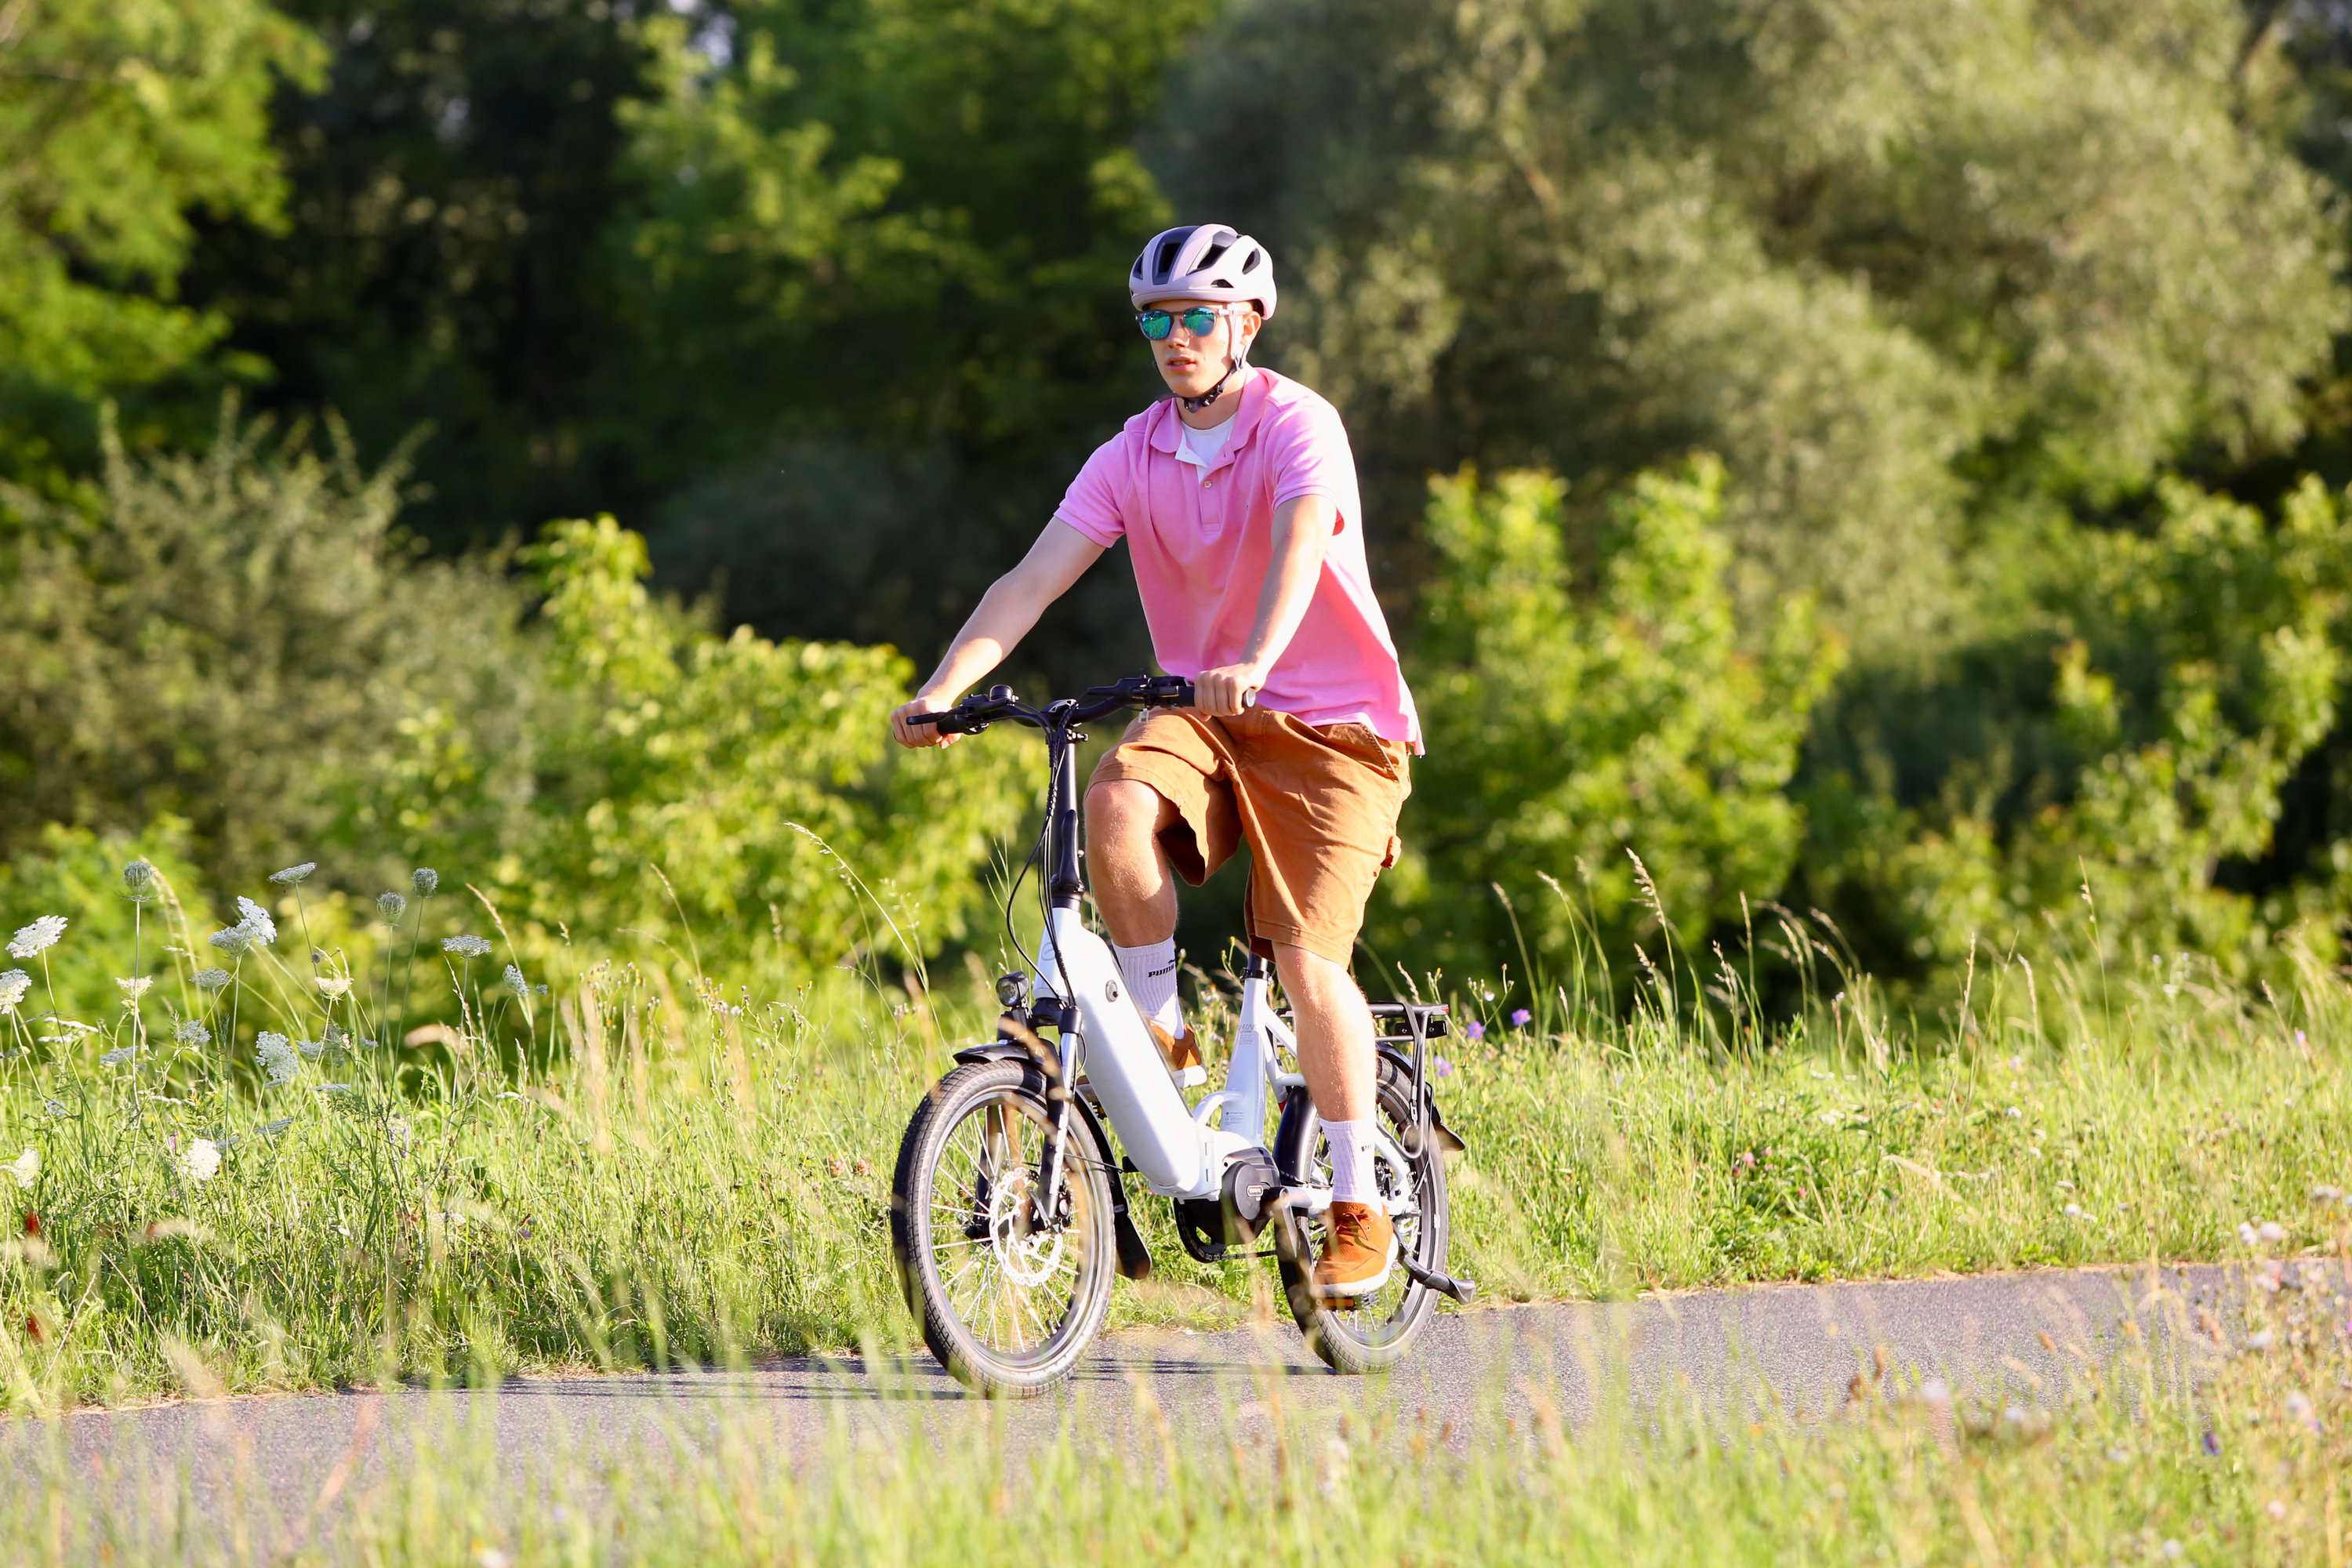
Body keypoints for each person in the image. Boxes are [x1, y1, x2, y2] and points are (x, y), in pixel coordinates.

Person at [889, 223, 1421, 1298]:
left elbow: (1303, 541)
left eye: (1197, 318)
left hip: (1335, 728)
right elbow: (1030, 581)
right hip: (1205, 714)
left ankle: (1360, 1202)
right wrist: (943, 689)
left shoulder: (1298, 424)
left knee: (1309, 961)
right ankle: (1164, 1033)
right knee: (1116, 804)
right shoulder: (1131, 454)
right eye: (1156, 321)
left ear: (1247, 324)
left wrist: (1254, 658)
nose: (1175, 338)